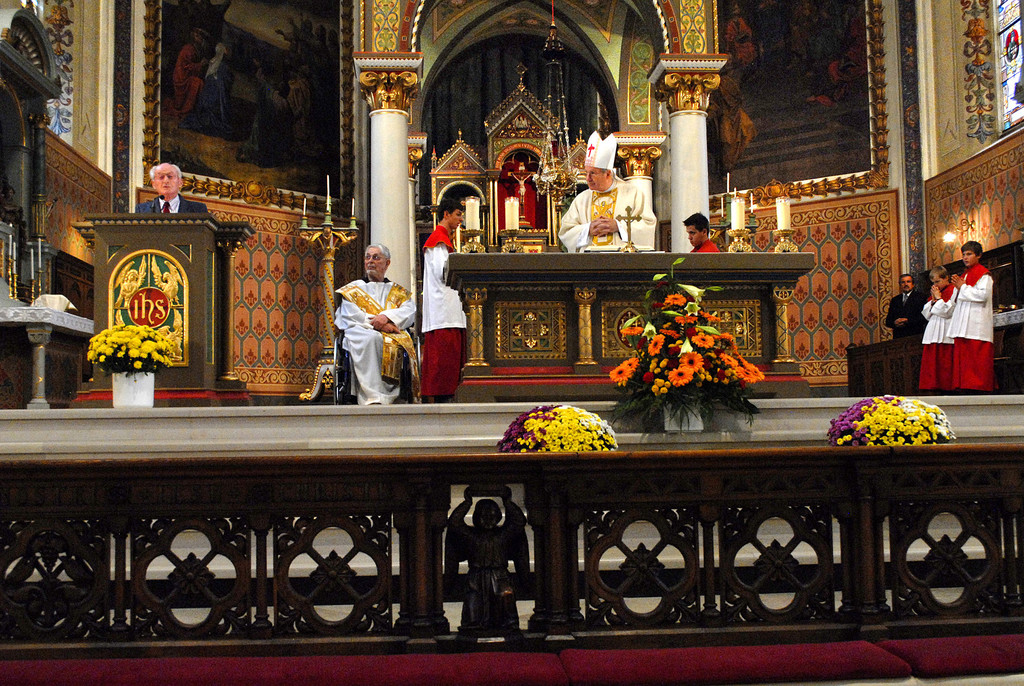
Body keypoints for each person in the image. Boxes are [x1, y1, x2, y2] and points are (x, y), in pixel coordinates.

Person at [334, 244, 419, 405]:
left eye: (376, 257)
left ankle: (393, 394)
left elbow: (409, 311)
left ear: (387, 263)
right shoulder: (353, 289)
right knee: (372, 339)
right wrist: (378, 324)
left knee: (385, 340)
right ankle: (372, 395)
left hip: (393, 331)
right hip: (361, 329)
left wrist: (387, 317)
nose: (370, 261)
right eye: (368, 257)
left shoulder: (398, 291)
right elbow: (349, 313)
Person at [558, 132, 656, 252]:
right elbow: (566, 232)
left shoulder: (632, 193)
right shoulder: (582, 199)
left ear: (608, 173)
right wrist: (587, 229)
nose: (587, 178)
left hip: (622, 259)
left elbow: (648, 225)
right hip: (589, 260)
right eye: (586, 172)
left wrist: (618, 226)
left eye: (593, 173)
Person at [421, 196, 467, 402]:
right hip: (444, 309)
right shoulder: (439, 240)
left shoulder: (443, 239)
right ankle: (443, 395)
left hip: (448, 307)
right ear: (446, 214)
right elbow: (443, 272)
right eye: (458, 215)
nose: (461, 220)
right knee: (445, 355)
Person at [948, 241, 995, 392]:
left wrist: (962, 287)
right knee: (964, 359)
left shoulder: (984, 275)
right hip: (963, 324)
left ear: (979, 255)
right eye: (963, 255)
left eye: (969, 254)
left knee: (977, 360)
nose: (965, 258)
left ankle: (978, 388)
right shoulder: (965, 275)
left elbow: (982, 296)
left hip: (976, 324)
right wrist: (958, 289)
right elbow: (956, 299)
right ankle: (964, 387)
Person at [919, 266, 956, 392]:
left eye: (937, 281)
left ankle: (947, 388)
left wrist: (939, 299)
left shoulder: (953, 291)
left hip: (946, 330)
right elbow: (926, 314)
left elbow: (947, 312)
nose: (935, 285)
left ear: (946, 278)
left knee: (945, 364)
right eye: (933, 283)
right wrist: (933, 301)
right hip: (933, 330)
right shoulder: (936, 293)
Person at [134, 163, 209, 213]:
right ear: (153, 184)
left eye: (170, 176)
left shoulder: (198, 209)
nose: (166, 181)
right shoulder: (142, 210)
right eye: (161, 177)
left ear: (180, 182)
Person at [884, 273, 927, 339]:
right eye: (903, 282)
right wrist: (895, 323)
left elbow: (924, 317)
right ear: (900, 285)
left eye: (908, 282)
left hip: (915, 335)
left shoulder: (921, 297)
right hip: (898, 337)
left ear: (913, 284)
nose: (906, 284)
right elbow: (888, 321)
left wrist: (907, 320)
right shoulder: (895, 300)